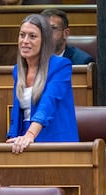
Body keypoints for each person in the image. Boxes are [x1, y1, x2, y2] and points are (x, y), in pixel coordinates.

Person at [6, 14, 79, 154]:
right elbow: (17, 113)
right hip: (24, 141)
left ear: (44, 41)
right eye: (22, 35)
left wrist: (31, 134)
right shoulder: (18, 70)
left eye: (32, 36)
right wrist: (11, 138)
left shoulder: (60, 66)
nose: (25, 41)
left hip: (55, 140)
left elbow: (48, 103)